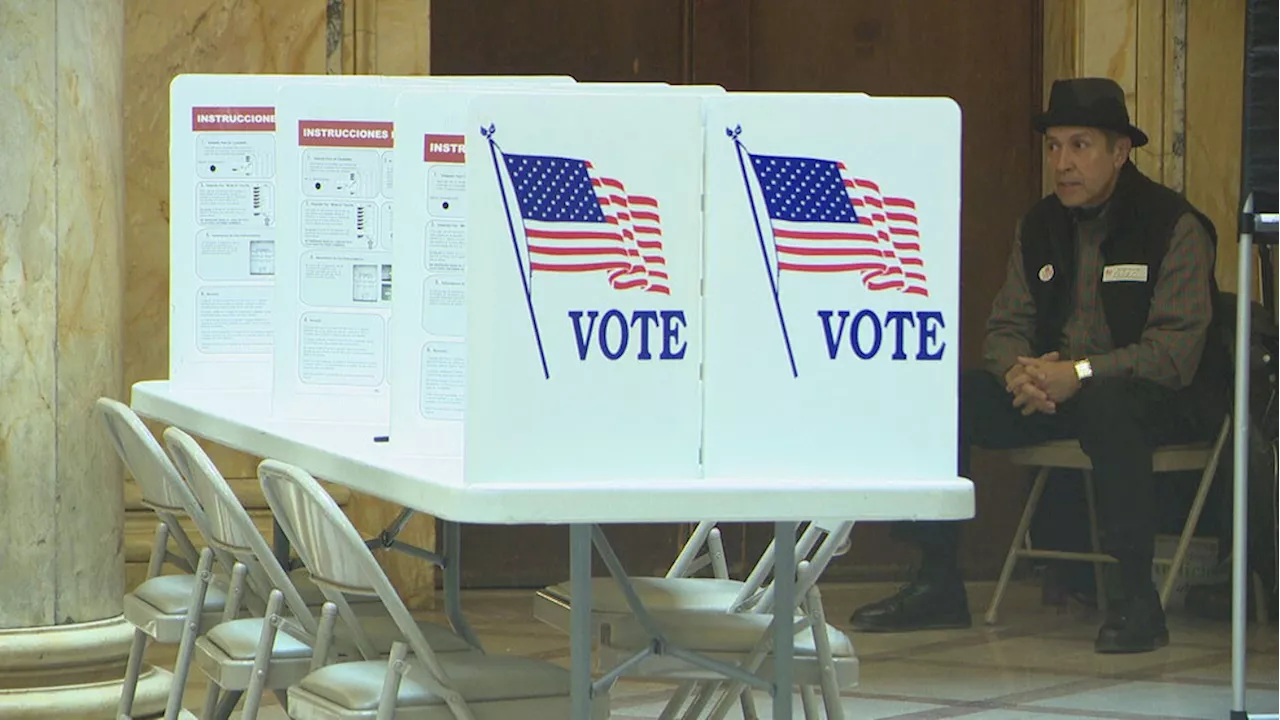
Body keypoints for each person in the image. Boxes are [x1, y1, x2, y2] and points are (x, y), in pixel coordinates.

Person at [849, 77, 1227, 654]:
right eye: (1053, 146)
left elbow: (1172, 355)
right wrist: (1021, 374)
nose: (1062, 163)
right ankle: (937, 578)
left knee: (1107, 403)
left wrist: (1077, 374)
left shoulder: (1175, 226)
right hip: (1053, 391)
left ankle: (1134, 598)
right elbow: (1005, 327)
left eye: (1080, 146)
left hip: (1152, 398)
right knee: (946, 397)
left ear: (1121, 152)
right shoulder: (1040, 225)